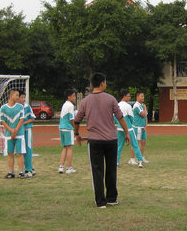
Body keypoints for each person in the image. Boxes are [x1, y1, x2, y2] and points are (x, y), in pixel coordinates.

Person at [73, 73, 130, 208]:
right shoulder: (111, 99)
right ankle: (112, 198)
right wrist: (127, 133)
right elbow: (120, 117)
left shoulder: (85, 101)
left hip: (95, 141)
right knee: (111, 170)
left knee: (97, 171)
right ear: (102, 83)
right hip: (111, 140)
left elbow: (77, 120)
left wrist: (77, 134)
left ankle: (100, 201)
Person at [0, 89, 26, 179]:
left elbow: (21, 119)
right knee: (10, 153)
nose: (18, 97)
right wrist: (11, 131)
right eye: (16, 95)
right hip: (8, 135)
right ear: (11, 96)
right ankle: (11, 172)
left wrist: (16, 130)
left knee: (20, 153)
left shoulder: (20, 107)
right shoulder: (3, 108)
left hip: (19, 134)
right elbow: (3, 121)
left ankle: (21, 171)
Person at [115, 89, 144, 168]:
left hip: (119, 129)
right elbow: (131, 118)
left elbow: (115, 118)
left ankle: (116, 162)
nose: (130, 97)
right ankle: (140, 161)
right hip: (129, 129)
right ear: (124, 96)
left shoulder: (117, 105)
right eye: (128, 96)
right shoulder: (128, 106)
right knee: (135, 144)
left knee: (119, 146)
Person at [58, 89, 77, 174]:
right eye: (73, 96)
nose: (74, 97)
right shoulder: (70, 105)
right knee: (70, 148)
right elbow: (71, 119)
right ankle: (69, 167)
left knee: (65, 147)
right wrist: (75, 128)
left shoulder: (65, 104)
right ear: (69, 97)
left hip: (61, 128)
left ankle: (61, 167)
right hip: (68, 128)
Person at [19, 92, 36, 177]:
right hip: (19, 132)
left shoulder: (27, 107)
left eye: (24, 97)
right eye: (21, 97)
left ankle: (28, 169)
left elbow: (32, 118)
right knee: (21, 151)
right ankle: (30, 168)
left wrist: (23, 123)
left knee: (28, 149)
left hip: (27, 130)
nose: (23, 99)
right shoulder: (16, 107)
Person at [132, 91, 149, 163]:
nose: (143, 97)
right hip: (137, 127)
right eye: (142, 96)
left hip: (142, 127)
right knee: (136, 143)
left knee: (143, 142)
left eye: (143, 96)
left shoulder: (142, 105)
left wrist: (145, 125)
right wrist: (145, 108)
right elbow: (143, 114)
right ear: (137, 97)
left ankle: (141, 157)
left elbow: (146, 116)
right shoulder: (136, 105)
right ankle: (132, 158)